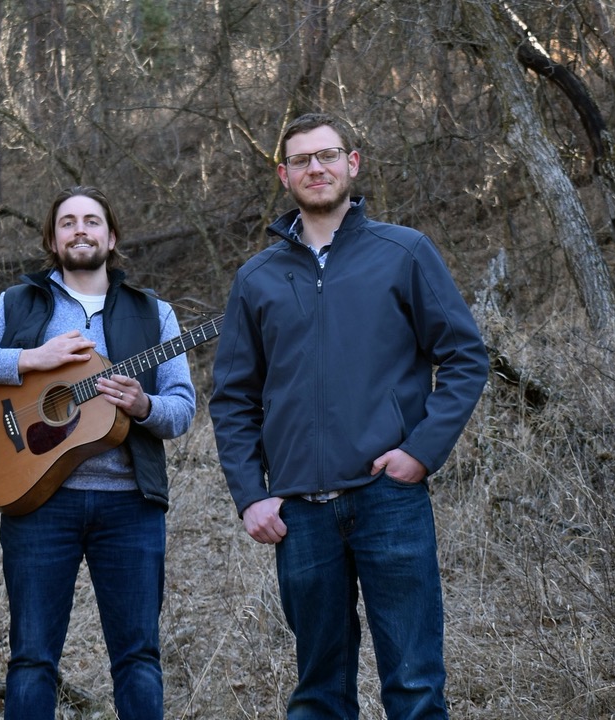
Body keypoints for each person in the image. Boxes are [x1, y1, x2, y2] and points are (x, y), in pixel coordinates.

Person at [208, 113, 489, 719]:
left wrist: (420, 451)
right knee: (319, 692)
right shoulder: (256, 278)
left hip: (389, 498)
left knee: (414, 684)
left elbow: (465, 357)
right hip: (299, 512)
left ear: (352, 164)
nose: (317, 168)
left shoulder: (404, 252)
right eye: (302, 160)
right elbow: (232, 397)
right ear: (285, 175)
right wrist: (250, 494)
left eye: (328, 155)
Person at [0, 186, 197, 719]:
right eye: (69, 222)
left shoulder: (155, 313)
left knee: (139, 657)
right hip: (38, 504)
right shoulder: (19, 302)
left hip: (131, 507)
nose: (81, 230)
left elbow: (182, 409)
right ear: (52, 239)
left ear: (111, 235)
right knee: (31, 659)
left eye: (92, 221)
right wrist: (31, 357)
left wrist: (143, 404)